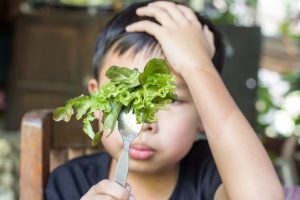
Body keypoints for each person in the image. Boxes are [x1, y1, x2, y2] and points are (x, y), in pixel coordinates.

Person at [45, 1, 284, 200]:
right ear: (97, 101)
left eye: (170, 100)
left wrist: (196, 63)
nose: (144, 122)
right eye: (123, 94)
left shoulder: (213, 174)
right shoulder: (69, 183)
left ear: (203, 111)